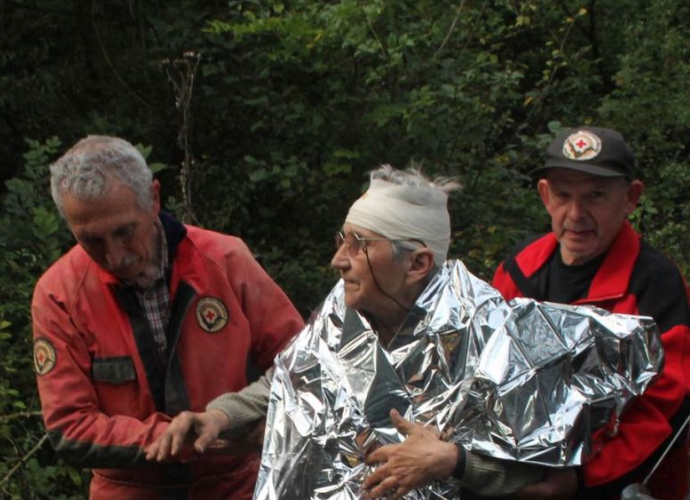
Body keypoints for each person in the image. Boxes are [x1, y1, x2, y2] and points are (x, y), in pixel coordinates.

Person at [146, 166, 550, 498]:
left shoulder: (488, 336)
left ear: (417, 264)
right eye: (343, 240)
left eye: (360, 245)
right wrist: (218, 416)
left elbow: (542, 474)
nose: (339, 260)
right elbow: (290, 379)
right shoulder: (346, 309)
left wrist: (453, 461)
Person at [31, 135, 304, 500]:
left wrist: (249, 424)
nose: (115, 256)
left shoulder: (224, 261)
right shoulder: (59, 294)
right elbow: (70, 428)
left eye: (124, 232)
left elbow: (301, 363)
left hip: (234, 488)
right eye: (91, 240)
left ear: (154, 198)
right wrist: (184, 438)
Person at [491, 126, 690, 499]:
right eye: (563, 195)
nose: (576, 214)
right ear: (545, 196)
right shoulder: (517, 270)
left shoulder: (654, 285)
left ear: (631, 198)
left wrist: (582, 480)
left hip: (621, 486)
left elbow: (669, 408)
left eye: (595, 196)